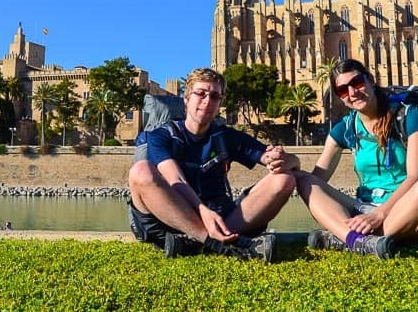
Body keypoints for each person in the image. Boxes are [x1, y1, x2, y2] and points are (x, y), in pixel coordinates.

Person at [128, 67, 300, 262]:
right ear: (186, 98)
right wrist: (203, 211)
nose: (207, 101)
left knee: (284, 179)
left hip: (221, 217)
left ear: (220, 102)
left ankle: (196, 242)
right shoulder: (162, 135)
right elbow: (174, 179)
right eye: (200, 93)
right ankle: (217, 244)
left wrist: (288, 160)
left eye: (215, 96)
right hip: (169, 219)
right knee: (140, 171)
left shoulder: (226, 136)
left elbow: (279, 160)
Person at [296, 59, 418, 258]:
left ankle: (345, 237)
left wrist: (380, 214)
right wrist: (293, 167)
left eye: (357, 82)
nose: (352, 92)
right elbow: (317, 180)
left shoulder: (409, 115)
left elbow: (414, 177)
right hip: (364, 210)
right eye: (343, 90)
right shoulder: (345, 128)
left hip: (406, 208)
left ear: (370, 80)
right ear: (340, 98)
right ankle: (359, 241)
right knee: (304, 181)